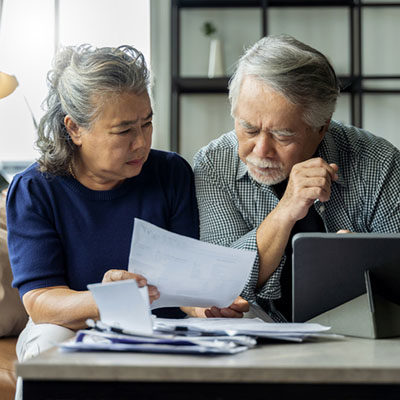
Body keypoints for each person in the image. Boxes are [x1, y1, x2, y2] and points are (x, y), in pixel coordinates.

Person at [6, 45, 247, 396]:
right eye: (123, 131)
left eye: (147, 123)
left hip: (161, 326)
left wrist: (205, 306)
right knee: (48, 348)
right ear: (74, 128)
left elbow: (182, 287)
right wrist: (110, 299)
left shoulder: (170, 173)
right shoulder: (35, 189)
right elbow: (41, 303)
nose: (141, 143)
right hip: (70, 326)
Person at [194, 34, 400, 322]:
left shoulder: (379, 163)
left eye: (283, 135)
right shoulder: (213, 164)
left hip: (358, 343)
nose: (261, 149)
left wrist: (364, 265)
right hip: (252, 349)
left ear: (321, 128)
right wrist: (286, 209)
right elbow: (219, 287)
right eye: (249, 129)